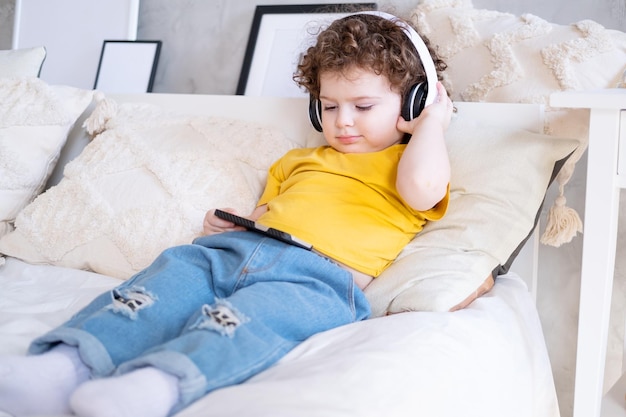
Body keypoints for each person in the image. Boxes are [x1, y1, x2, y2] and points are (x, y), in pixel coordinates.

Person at [0, 11, 453, 417]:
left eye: (363, 106)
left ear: (413, 101)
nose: (343, 122)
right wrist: (227, 225)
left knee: (247, 322)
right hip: (237, 249)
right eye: (329, 107)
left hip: (319, 279)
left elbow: (421, 191)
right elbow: (266, 212)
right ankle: (66, 365)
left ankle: (158, 385)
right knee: (162, 286)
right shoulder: (299, 161)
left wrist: (432, 122)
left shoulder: (411, 163)